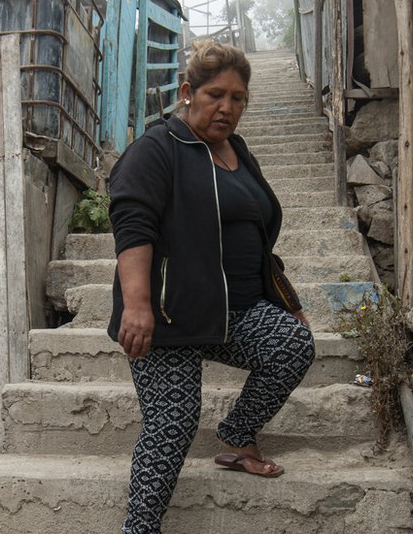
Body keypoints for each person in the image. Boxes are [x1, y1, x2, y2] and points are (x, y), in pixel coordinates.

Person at [106, 41, 316, 534]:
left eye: (238, 98)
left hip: (235, 311)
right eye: (216, 94)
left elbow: (258, 238)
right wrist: (137, 306)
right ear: (187, 92)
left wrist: (288, 302)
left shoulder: (237, 150)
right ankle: (140, 528)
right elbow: (133, 227)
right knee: (173, 425)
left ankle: (239, 435)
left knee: (292, 344)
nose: (227, 107)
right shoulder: (157, 149)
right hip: (169, 317)